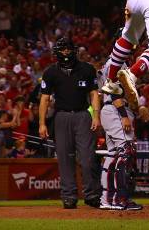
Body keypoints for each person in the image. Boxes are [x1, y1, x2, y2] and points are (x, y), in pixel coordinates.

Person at [38, 38, 102, 209]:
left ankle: (92, 195)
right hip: (61, 117)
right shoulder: (50, 72)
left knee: (88, 158)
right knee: (65, 159)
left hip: (82, 115)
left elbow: (94, 94)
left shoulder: (87, 69)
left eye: (68, 49)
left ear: (74, 50)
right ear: (57, 52)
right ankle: (69, 196)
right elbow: (44, 99)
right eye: (63, 50)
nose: (66, 53)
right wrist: (42, 124)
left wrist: (96, 116)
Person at [98, 63, 143, 210]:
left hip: (111, 109)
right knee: (126, 152)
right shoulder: (117, 63)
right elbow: (113, 91)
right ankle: (118, 198)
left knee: (113, 155)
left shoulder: (111, 63)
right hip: (117, 110)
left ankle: (107, 199)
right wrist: (124, 116)